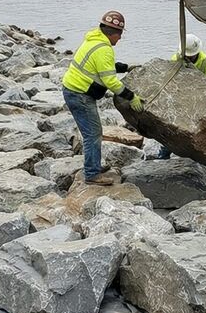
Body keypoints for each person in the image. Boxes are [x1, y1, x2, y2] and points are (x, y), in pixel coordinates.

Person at [61, 10, 144, 186]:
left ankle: (94, 166)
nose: (120, 40)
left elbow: (103, 66)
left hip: (73, 89)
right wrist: (131, 97)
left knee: (92, 132)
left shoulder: (94, 39)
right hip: (79, 94)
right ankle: (92, 174)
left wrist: (126, 67)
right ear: (114, 34)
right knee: (93, 134)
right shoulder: (104, 49)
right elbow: (111, 81)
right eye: (120, 36)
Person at [158, 34, 206, 160]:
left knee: (200, 131)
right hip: (180, 98)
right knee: (172, 128)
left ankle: (200, 157)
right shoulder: (176, 59)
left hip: (201, 100)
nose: (188, 57)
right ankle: (164, 154)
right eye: (186, 55)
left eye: (190, 55)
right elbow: (170, 80)